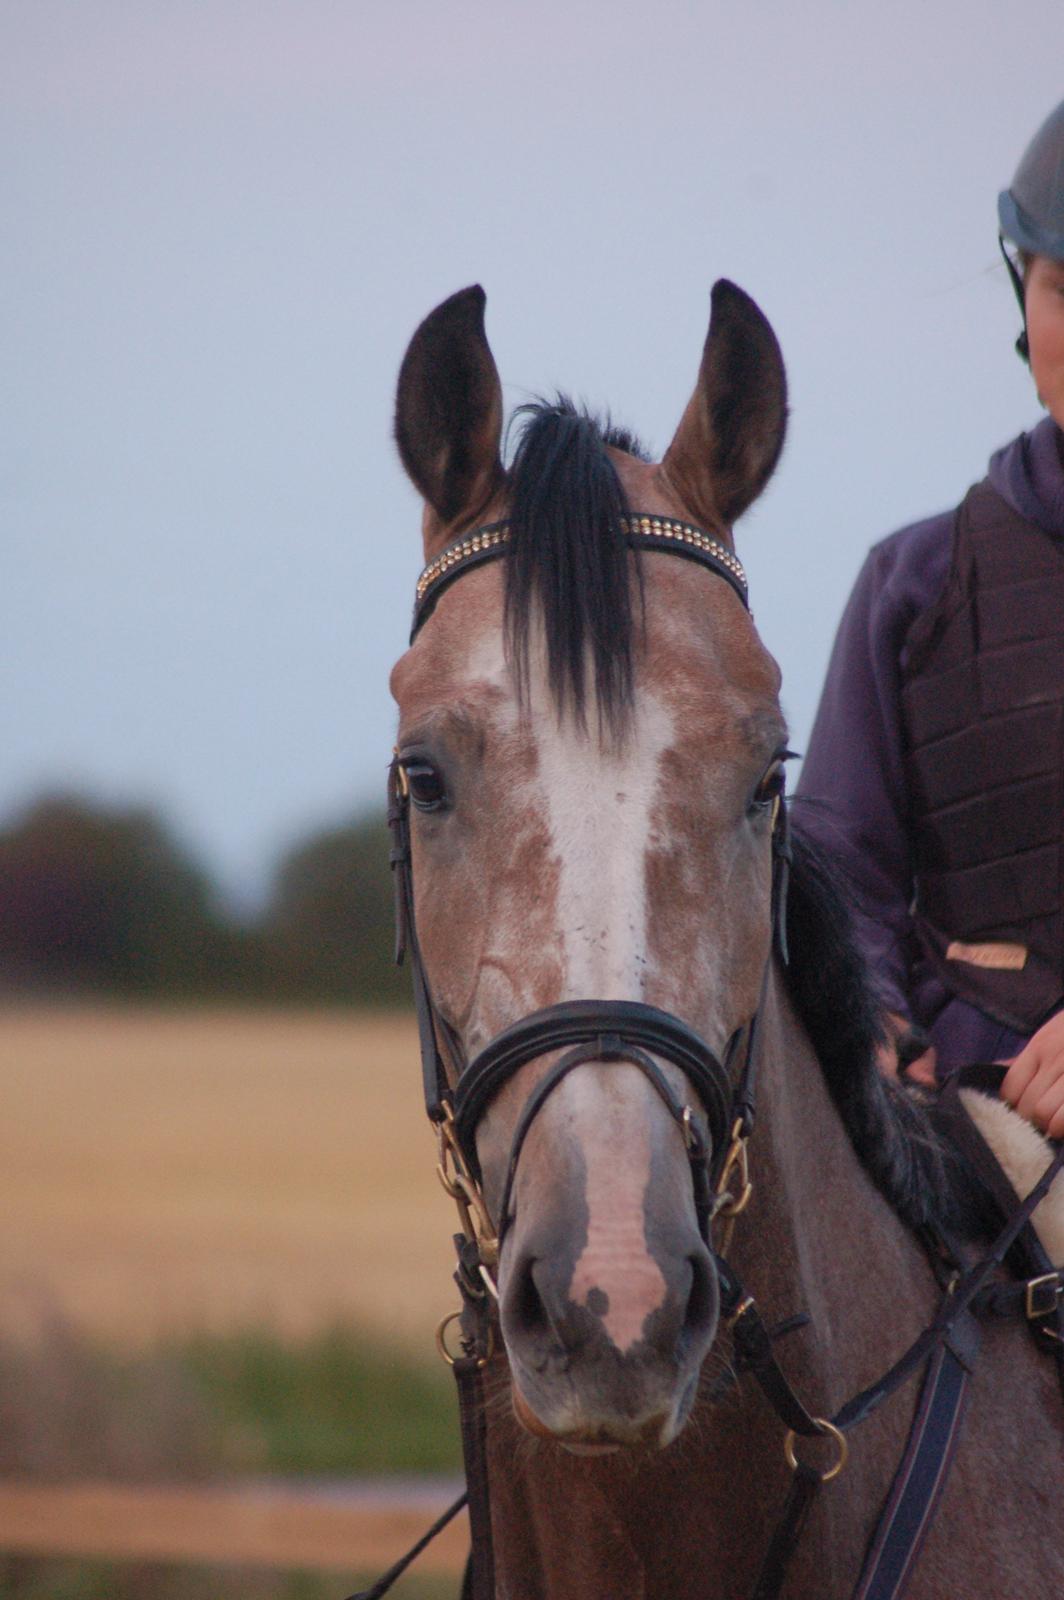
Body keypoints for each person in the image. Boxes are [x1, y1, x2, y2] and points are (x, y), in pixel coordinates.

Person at [796, 97, 1064, 1140]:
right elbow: (835, 859)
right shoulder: (911, 582)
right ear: (1021, 298)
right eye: (1060, 287)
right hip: (958, 1141)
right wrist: (868, 1013)